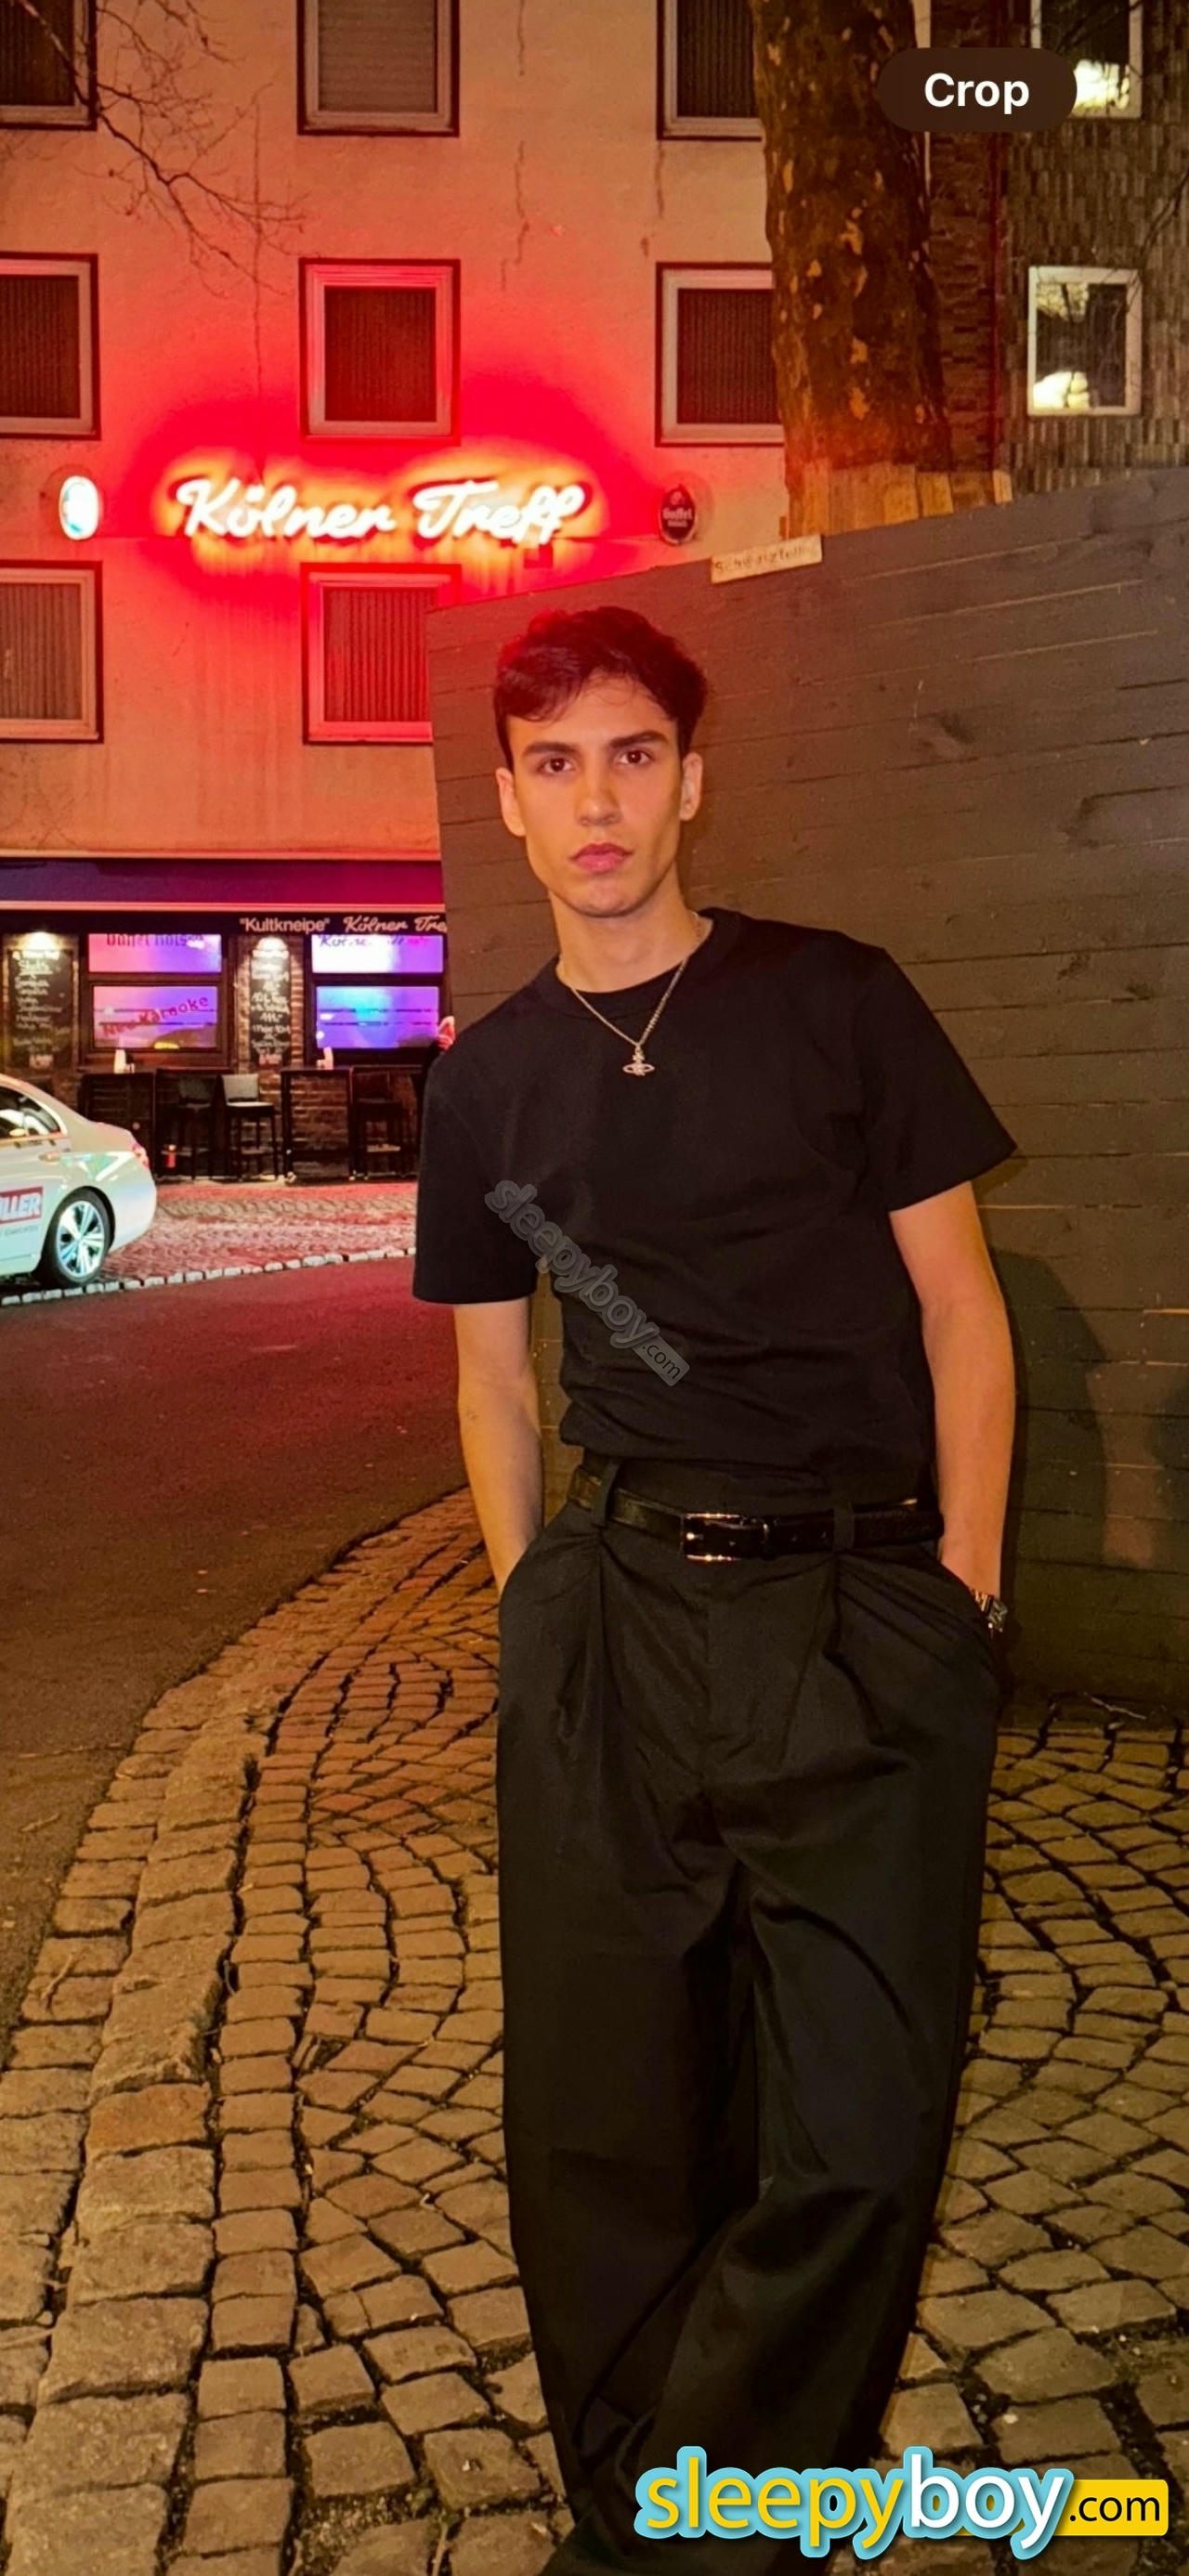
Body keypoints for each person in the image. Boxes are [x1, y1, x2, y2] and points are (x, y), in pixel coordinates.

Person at [412, 605, 1017, 2572]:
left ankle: (703, 2510)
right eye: (556, 764)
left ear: (693, 777)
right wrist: (533, 1610)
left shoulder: (837, 1000)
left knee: (859, 2127)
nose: (597, 800)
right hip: (620, 1613)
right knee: (608, 2124)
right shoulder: (489, 1083)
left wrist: (964, 1594)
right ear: (510, 800)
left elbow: (961, 1307)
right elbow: (494, 1378)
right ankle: (648, 2522)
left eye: (633, 753)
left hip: (858, 1609)